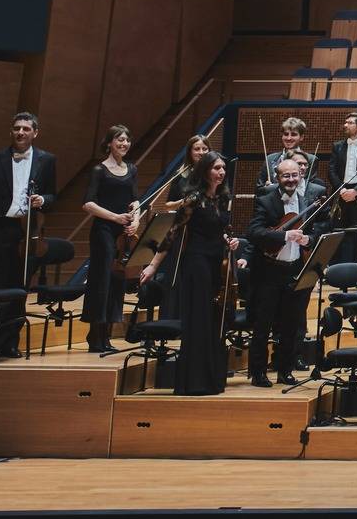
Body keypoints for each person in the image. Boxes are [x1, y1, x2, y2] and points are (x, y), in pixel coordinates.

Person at [141, 152, 241, 395]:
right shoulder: (193, 199)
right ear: (205, 171)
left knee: (214, 320)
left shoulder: (222, 198)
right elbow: (173, 233)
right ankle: (194, 381)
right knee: (199, 319)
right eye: (216, 168)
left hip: (217, 263)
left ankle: (211, 379)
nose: (222, 172)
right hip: (197, 263)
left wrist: (229, 240)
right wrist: (153, 265)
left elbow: (217, 229)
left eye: (223, 168)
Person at [0, 112, 58, 360]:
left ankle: (11, 342)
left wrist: (43, 200)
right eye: (16, 128)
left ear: (35, 133)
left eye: (26, 128)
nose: (20, 132)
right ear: (11, 131)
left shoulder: (47, 160)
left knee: (19, 289)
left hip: (27, 231)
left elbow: (52, 196)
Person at [244, 155, 328, 386]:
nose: (290, 179)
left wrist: (308, 240)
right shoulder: (265, 200)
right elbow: (254, 232)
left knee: (291, 325)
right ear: (277, 177)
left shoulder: (308, 200)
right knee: (263, 325)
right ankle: (258, 372)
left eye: (294, 175)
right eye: (285, 176)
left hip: (295, 269)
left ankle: (285, 370)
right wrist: (283, 235)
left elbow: (321, 229)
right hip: (269, 271)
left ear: (301, 175)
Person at [79, 124, 137, 355]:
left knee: (116, 281)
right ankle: (95, 335)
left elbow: (135, 200)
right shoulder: (99, 170)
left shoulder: (131, 169)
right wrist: (115, 217)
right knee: (101, 281)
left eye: (126, 140)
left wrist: (135, 220)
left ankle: (107, 335)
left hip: (122, 233)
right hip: (103, 231)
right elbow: (88, 203)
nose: (124, 143)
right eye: (119, 139)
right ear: (110, 143)